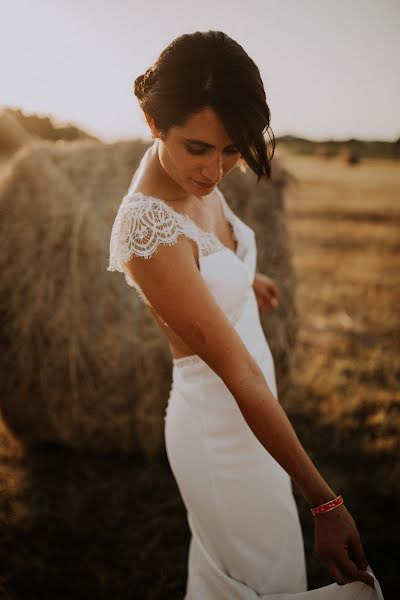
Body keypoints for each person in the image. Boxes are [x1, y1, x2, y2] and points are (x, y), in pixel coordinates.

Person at [107, 31, 384, 599]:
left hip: (255, 417)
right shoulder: (145, 228)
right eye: (198, 148)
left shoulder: (189, 169)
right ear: (153, 122)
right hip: (222, 430)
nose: (215, 171)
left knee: (265, 574)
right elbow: (238, 374)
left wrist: (245, 278)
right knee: (261, 582)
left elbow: (207, 250)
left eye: (232, 149)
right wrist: (325, 501)